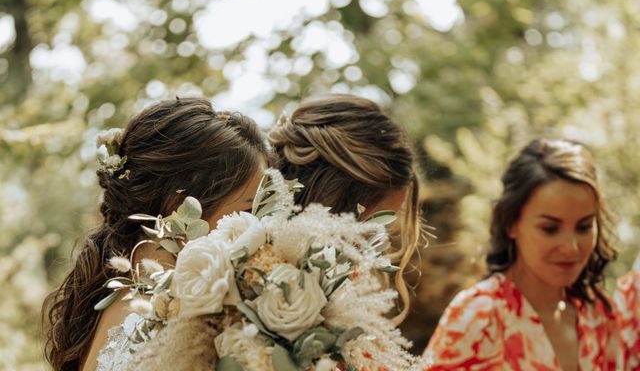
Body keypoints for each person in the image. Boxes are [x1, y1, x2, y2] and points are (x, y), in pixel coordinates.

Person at [42, 97, 269, 371]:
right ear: (181, 205)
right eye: (248, 209)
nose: (258, 226)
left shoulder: (119, 301)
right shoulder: (171, 327)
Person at [423, 139, 619, 370]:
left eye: (584, 227)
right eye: (550, 229)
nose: (571, 247)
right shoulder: (479, 316)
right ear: (511, 224)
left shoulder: (599, 314)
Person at [268, 94, 424, 322]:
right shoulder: (244, 291)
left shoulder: (345, 292)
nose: (378, 243)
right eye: (372, 225)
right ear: (327, 206)